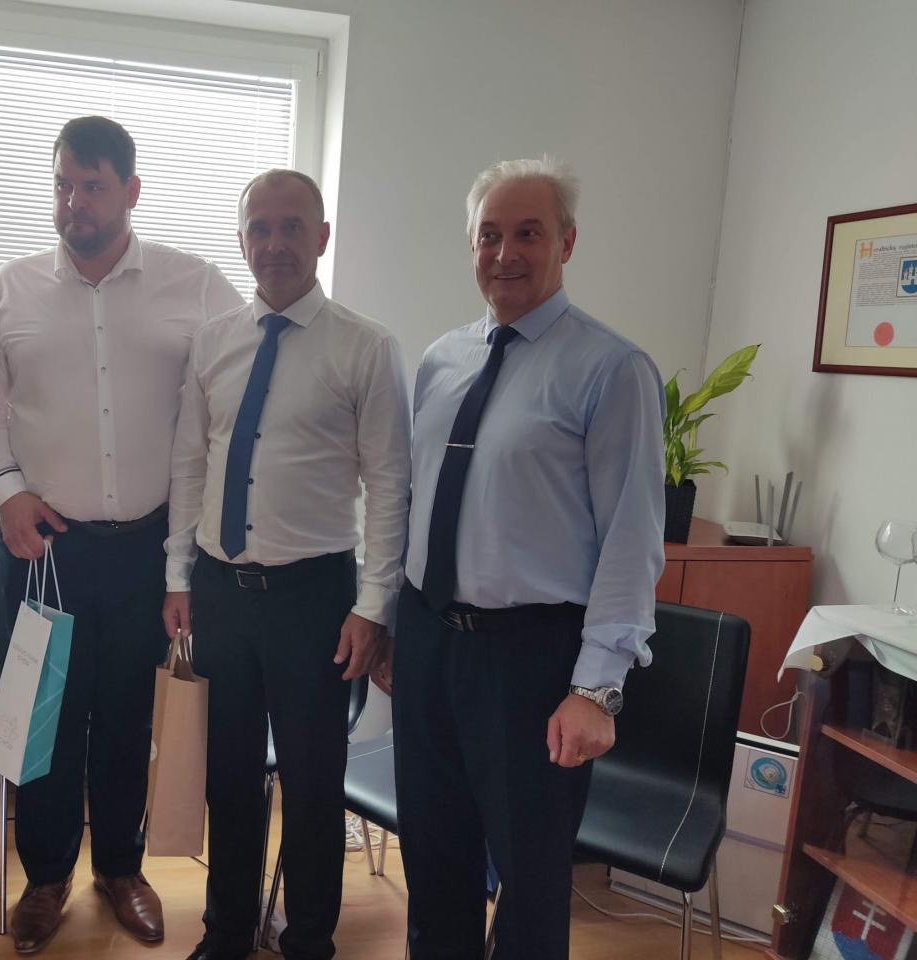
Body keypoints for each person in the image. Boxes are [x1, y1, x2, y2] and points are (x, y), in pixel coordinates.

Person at [0, 115, 242, 954]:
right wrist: (6, 494)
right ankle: (46, 879)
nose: (73, 202)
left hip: (151, 550)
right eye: (62, 184)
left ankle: (120, 868)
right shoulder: (12, 290)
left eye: (92, 185)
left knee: (124, 718)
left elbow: (241, 386)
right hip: (45, 549)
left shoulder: (195, 285)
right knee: (44, 719)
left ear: (131, 190)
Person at [376, 156, 666, 960]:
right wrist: (398, 626)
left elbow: (632, 540)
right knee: (434, 860)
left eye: (528, 234)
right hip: (430, 642)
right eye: (489, 235)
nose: (506, 253)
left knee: (530, 882)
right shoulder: (443, 359)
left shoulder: (612, 370)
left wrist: (596, 690)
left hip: (530, 661)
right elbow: (418, 504)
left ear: (566, 242)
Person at [163, 169, 411, 960]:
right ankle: (227, 930)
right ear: (242, 240)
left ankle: (308, 940)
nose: (274, 244)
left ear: (322, 237)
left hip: (316, 600)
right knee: (229, 776)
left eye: (291, 227)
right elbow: (190, 465)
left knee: (311, 785)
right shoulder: (213, 341)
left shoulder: (365, 346)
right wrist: (177, 576)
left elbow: (390, 486)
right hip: (220, 593)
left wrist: (374, 607)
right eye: (259, 228)